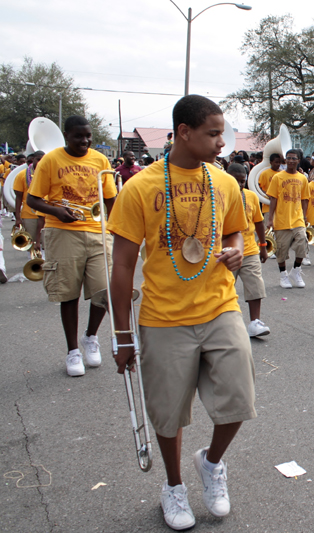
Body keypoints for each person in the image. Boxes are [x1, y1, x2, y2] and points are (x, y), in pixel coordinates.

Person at [107, 95, 254, 530]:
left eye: (221, 133)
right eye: (213, 133)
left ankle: (210, 463)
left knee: (238, 400)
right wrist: (121, 335)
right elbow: (121, 265)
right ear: (184, 132)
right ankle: (173, 487)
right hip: (163, 317)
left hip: (220, 307)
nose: (221, 142)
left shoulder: (225, 182)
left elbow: (237, 234)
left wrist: (235, 252)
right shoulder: (139, 187)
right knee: (169, 414)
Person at [27, 116, 117, 377]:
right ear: (67, 136)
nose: (85, 141)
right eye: (79, 136)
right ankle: (72, 351)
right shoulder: (51, 160)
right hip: (63, 230)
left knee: (103, 291)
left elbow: (110, 199)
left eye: (88, 136)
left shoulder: (100, 160)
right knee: (69, 294)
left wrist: (118, 229)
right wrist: (56, 210)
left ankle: (90, 337)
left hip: (97, 232)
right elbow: (33, 199)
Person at [227, 163, 271, 337]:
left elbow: (258, 222)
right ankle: (226, 323)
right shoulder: (219, 196)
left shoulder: (251, 197)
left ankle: (254, 323)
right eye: (235, 181)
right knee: (225, 288)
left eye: (242, 181)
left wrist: (262, 246)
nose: (239, 184)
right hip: (227, 251)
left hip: (250, 250)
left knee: (255, 285)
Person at [267, 149, 310, 288]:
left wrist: (304, 215)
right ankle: (283, 275)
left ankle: (296, 271)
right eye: (289, 158)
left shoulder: (303, 178)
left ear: (298, 160)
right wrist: (270, 219)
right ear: (285, 160)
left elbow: (304, 199)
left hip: (297, 219)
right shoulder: (278, 177)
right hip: (281, 219)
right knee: (281, 251)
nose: (291, 160)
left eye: (294, 158)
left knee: (302, 243)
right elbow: (273, 199)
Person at [13, 150, 45, 251]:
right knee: (30, 243)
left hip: (46, 215)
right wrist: (18, 217)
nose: (40, 162)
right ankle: (32, 263)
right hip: (28, 215)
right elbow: (18, 198)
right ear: (32, 160)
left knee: (45, 243)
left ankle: (43, 264)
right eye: (38, 159)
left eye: (42, 160)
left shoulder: (48, 174)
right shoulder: (22, 175)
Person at [259, 153, 283, 217]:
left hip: (280, 206)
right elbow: (259, 188)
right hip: (268, 206)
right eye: (276, 162)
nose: (278, 164)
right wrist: (268, 195)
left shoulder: (282, 174)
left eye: (279, 162)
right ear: (271, 162)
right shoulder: (265, 173)